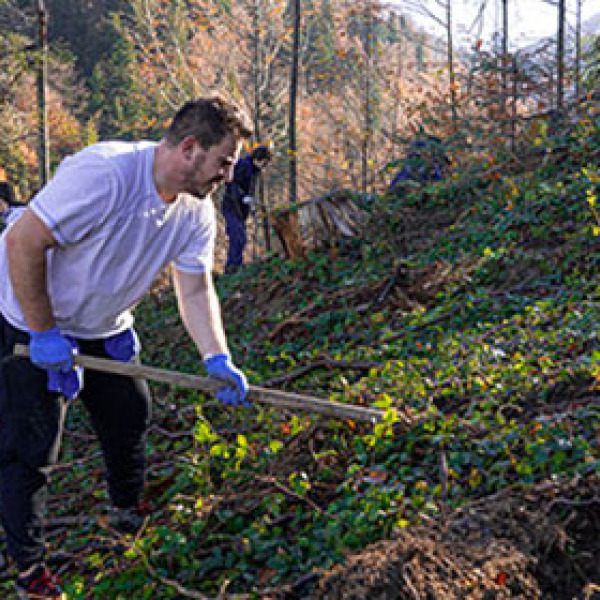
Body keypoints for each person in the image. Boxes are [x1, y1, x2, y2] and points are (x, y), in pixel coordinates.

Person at [0, 96, 253, 599]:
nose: (228, 174)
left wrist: (215, 355)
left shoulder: (194, 212)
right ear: (189, 148)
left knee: (130, 415)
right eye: (223, 161)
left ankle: (125, 516)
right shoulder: (105, 173)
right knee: (32, 448)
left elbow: (196, 287)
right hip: (29, 318)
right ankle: (29, 570)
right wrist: (45, 333)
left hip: (104, 323)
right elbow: (22, 243)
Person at [221, 143, 272, 272]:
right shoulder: (245, 165)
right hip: (232, 206)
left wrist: (250, 203)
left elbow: (249, 189)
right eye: (264, 162)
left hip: (240, 208)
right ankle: (232, 268)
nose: (265, 165)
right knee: (237, 236)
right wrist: (243, 197)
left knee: (241, 238)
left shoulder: (254, 170)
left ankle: (235, 266)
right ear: (259, 158)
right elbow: (232, 185)